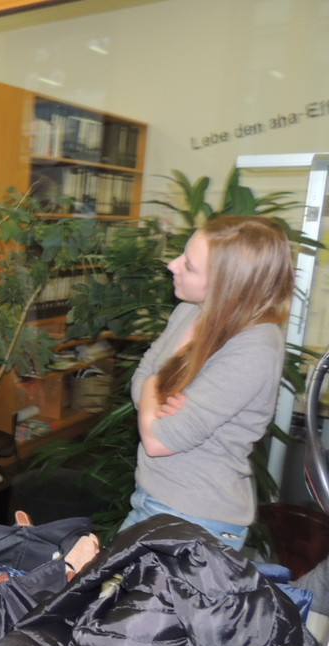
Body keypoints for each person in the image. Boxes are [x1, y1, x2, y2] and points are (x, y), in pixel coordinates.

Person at [121, 215, 294, 548]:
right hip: (150, 499)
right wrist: (157, 398)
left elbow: (159, 440)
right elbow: (140, 375)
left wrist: (153, 388)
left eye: (189, 266)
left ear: (227, 284)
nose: (172, 265)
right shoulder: (189, 312)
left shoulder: (255, 347)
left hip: (195, 521)